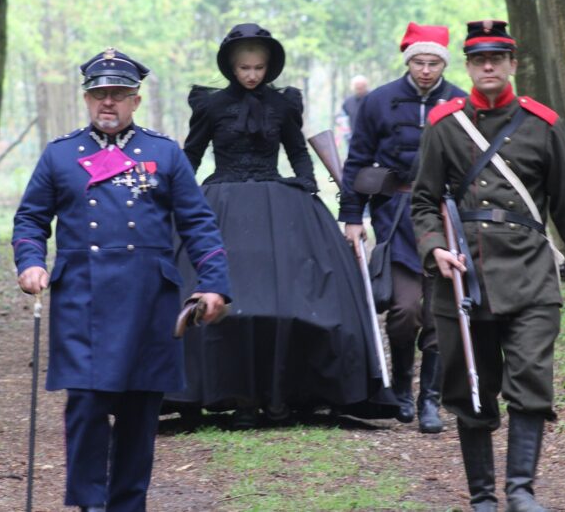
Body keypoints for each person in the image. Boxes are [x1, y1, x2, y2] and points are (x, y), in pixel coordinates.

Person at [12, 48, 231, 512]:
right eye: (99, 94)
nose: (107, 102)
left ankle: (128, 505)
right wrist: (30, 262)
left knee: (139, 410)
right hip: (81, 300)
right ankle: (91, 503)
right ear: (86, 99)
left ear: (135, 100)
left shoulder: (164, 153)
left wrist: (214, 282)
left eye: (117, 94)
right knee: (87, 406)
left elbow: (198, 224)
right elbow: (31, 219)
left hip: (148, 300)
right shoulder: (59, 155)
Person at [411, 20, 565, 512]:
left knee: (532, 380)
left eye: (497, 59)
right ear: (468, 67)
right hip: (464, 277)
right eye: (479, 60)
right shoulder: (444, 124)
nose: (488, 67)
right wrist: (434, 248)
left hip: (531, 275)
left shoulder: (543, 124)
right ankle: (483, 497)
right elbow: (422, 201)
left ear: (513, 64)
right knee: (471, 386)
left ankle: (521, 492)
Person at [164, 22, 397, 429]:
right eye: (244, 68)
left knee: (290, 298)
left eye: (258, 67)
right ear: (231, 67)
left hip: (276, 201)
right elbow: (192, 153)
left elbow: (297, 150)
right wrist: (178, 196)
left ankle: (285, 394)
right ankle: (228, 393)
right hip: (223, 201)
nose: (252, 75)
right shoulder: (211, 106)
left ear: (269, 66)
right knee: (219, 296)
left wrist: (306, 186)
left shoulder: (283, 104)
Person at [339, 22, 467, 434]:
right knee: (404, 310)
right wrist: (353, 216)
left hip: (445, 218)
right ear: (408, 62)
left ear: (443, 64)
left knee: (438, 312)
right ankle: (400, 388)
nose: (426, 70)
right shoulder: (377, 101)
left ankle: (429, 400)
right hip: (394, 216)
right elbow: (357, 161)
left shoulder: (462, 102)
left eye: (433, 63)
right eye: (418, 62)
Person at [337, 74, 370, 146]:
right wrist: (348, 136)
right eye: (357, 88)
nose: (359, 90)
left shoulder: (374, 99)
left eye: (361, 88)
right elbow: (343, 120)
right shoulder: (348, 102)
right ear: (353, 88)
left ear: (366, 86)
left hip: (372, 138)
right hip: (354, 138)